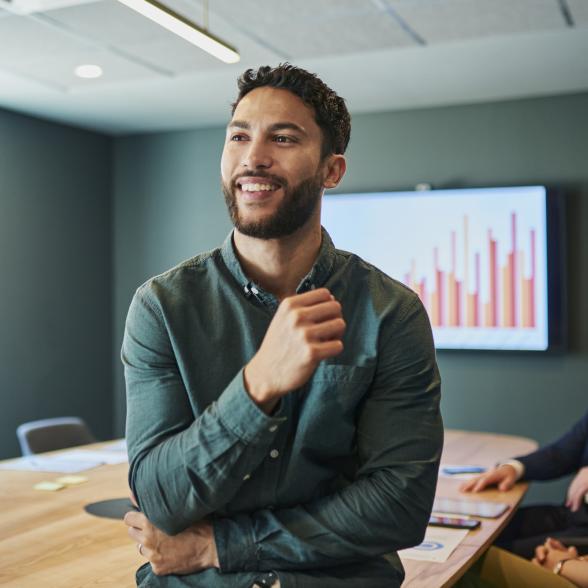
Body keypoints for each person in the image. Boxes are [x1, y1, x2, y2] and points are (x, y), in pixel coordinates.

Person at [122, 63, 443, 588]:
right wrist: (257, 388)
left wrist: (220, 545)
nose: (253, 157)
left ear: (332, 170)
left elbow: (398, 505)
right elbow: (160, 497)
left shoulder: (391, 312)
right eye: (239, 136)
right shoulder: (161, 307)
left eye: (284, 138)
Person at [461, 410, 588, 560]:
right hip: (571, 512)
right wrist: (514, 468)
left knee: (478, 556)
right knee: (474, 535)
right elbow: (560, 453)